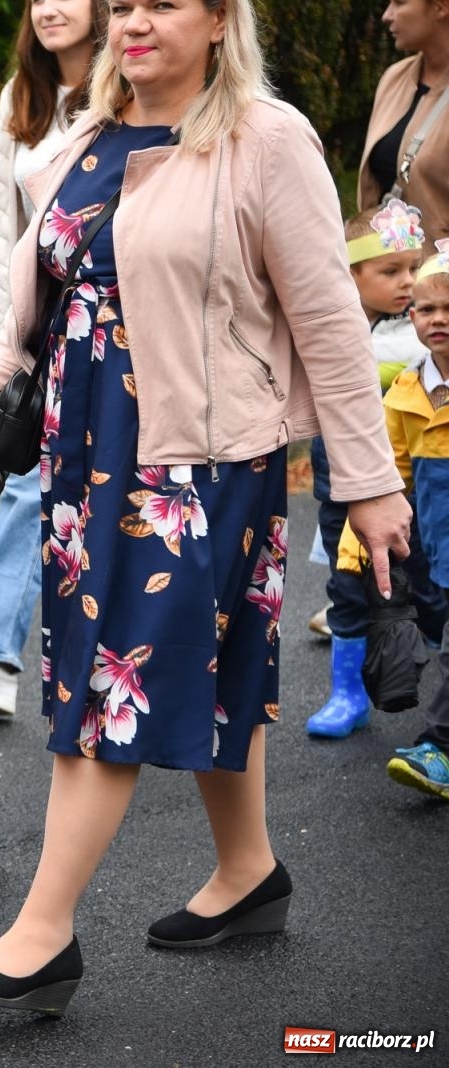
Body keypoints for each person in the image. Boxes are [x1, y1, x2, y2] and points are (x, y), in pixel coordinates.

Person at [0, 0, 413, 1016]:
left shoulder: (263, 139)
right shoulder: (77, 146)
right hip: (82, 457)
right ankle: (248, 873)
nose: (135, 22)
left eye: (163, 3)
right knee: (218, 656)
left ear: (219, 20)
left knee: (115, 675)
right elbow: (26, 328)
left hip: (197, 464)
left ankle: (42, 932)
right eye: (125, 5)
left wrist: (369, 483)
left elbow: (329, 317)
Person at [0, 0, 105, 717]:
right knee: (23, 472)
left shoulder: (125, 85)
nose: (50, 8)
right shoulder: (24, 95)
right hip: (38, 322)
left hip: (108, 317)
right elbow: (2, 223)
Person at [308, 202, 448, 738]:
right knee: (348, 584)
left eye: (413, 268)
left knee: (426, 587)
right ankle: (347, 693)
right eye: (391, 272)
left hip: (413, 482)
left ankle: (435, 686)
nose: (408, 283)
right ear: (350, 275)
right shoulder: (329, 329)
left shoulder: (419, 330)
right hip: (339, 482)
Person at [376, 248, 449, 799]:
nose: (437, 319)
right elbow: (392, 473)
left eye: (448, 307)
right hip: (432, 548)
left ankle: (438, 748)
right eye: (425, 309)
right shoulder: (405, 390)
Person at [361, 0, 449, 241]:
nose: (387, 16)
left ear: (441, 7)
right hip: (387, 269)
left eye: (399, 3)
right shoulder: (394, 78)